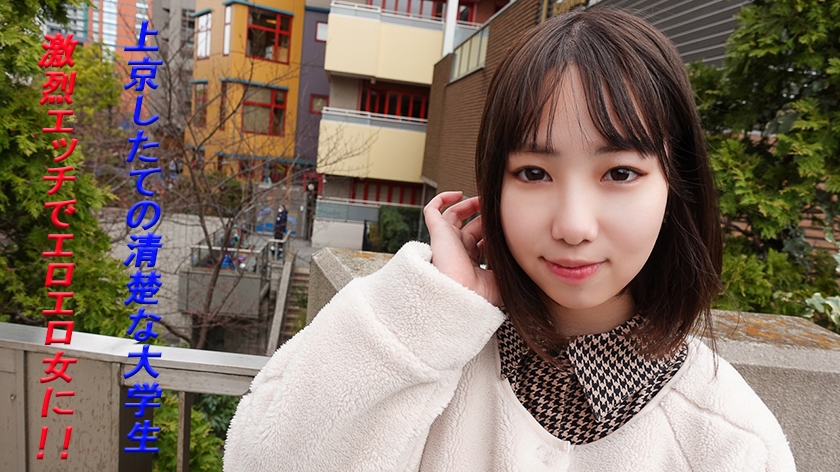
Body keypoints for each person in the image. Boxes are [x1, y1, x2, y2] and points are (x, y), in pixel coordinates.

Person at [224, 8, 796, 471]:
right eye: (534, 173)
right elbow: (262, 459)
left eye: (620, 172)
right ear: (493, 186)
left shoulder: (731, 441)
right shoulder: (433, 353)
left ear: (676, 185)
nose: (573, 226)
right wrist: (429, 312)